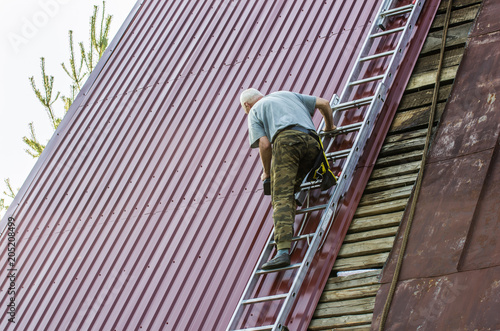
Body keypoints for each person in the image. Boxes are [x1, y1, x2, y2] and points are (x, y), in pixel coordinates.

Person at [240, 88, 336, 269]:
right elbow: (324, 103)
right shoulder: (287, 94)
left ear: (246, 104)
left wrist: (267, 173)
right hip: (313, 145)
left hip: (286, 143)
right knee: (290, 187)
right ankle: (295, 197)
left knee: (281, 195)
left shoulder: (254, 110)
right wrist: (330, 127)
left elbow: (265, 144)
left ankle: (282, 252)